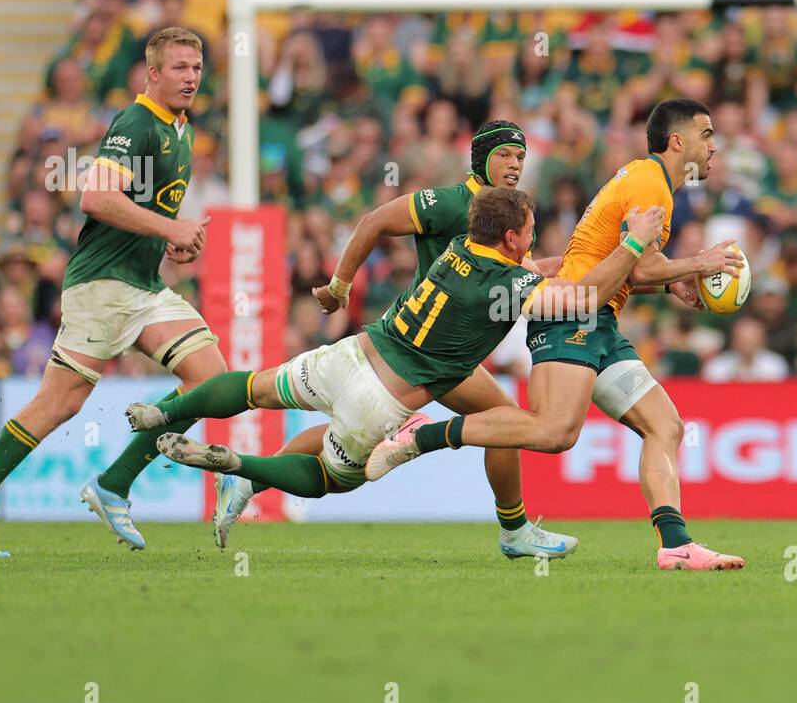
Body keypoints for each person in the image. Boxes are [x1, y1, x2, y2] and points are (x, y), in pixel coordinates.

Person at [123, 188, 665, 555]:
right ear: (511, 239)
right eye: (530, 230)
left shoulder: (459, 248)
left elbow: (538, 272)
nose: (533, 238)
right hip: (382, 399)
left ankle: (165, 411)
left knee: (252, 387)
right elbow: (577, 297)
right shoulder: (507, 287)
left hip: (350, 354)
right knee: (329, 481)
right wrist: (633, 242)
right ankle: (242, 466)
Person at [367, 98, 749, 571]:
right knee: (554, 433)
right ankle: (425, 436)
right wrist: (700, 262)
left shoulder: (648, 181)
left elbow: (633, 267)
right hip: (574, 315)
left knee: (665, 426)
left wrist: (672, 284)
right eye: (706, 134)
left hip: (601, 319)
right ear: (677, 141)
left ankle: (675, 544)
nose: (714, 146)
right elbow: (642, 260)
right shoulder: (652, 184)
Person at [211, 120, 580, 558]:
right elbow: (373, 222)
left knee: (359, 430)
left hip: (447, 348)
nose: (515, 164)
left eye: (520, 156)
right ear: (481, 158)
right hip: (419, 347)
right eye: (504, 155)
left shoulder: (505, 214)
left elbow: (527, 273)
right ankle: (514, 530)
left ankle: (249, 478)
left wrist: (580, 264)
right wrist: (339, 286)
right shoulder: (449, 203)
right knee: (501, 423)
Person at [0, 28, 222, 557]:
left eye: (197, 68)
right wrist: (170, 230)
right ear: (152, 73)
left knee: (211, 380)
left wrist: (172, 239)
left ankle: (114, 484)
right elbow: (95, 197)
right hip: (101, 288)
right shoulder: (136, 122)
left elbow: (140, 212)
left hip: (142, 286)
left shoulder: (180, 128)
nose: (191, 77)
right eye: (179, 68)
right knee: (57, 405)